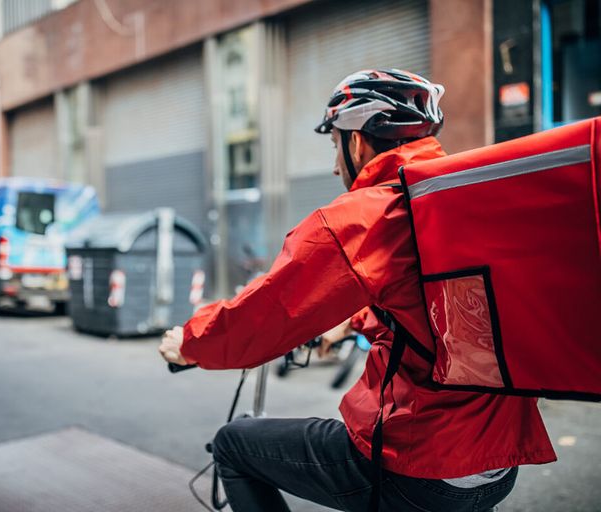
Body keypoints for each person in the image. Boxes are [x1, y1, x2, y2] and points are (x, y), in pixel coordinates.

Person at [159, 69, 556, 511]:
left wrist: (191, 342)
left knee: (234, 445)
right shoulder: (457, 201)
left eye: (335, 146)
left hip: (420, 462)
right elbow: (441, 312)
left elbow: (266, 315)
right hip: (497, 463)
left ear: (357, 142)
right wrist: (352, 324)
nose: (334, 166)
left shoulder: (365, 215)